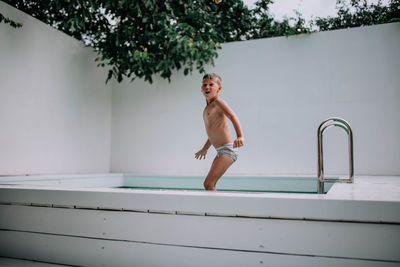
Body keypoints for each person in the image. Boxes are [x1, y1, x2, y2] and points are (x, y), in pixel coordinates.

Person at [195, 73, 244, 191]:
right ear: (201, 89)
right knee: (209, 185)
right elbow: (212, 134)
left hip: (228, 150)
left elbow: (233, 117)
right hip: (220, 151)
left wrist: (240, 136)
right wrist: (205, 149)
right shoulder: (207, 108)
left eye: (211, 85)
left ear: (219, 88)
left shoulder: (218, 103)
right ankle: (214, 208)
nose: (207, 87)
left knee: (208, 183)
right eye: (204, 85)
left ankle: (216, 208)